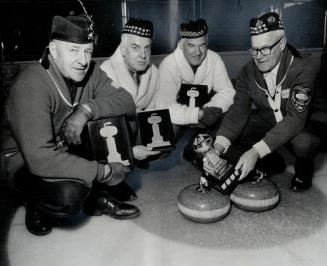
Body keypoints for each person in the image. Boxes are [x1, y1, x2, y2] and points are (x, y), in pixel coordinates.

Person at [0, 13, 140, 236]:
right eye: (73, 51)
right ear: (53, 50)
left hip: (65, 145)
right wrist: (101, 171)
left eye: (87, 51)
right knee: (70, 196)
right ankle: (37, 202)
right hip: (23, 162)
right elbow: (39, 158)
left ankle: (97, 191)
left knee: (124, 122)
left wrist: (86, 110)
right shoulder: (31, 84)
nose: (83, 60)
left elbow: (127, 101)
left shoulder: (90, 72)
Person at [206, 11, 320, 192]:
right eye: (254, 50)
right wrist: (218, 147)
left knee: (304, 143)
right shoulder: (246, 72)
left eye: (265, 48)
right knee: (231, 131)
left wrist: (255, 151)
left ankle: (303, 171)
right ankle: (269, 162)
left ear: (282, 43)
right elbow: (238, 112)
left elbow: (295, 119)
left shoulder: (303, 68)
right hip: (269, 120)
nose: (258, 56)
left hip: (299, 122)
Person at [155, 19, 235, 165]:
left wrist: (211, 109)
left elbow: (228, 92)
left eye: (202, 45)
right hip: (177, 115)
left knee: (228, 116)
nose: (197, 52)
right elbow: (164, 106)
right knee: (160, 150)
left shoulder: (214, 59)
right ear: (182, 45)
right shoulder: (169, 64)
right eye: (191, 45)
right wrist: (196, 115)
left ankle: (193, 149)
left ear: (207, 42)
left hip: (205, 110)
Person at [100, 17, 161, 201]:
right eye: (135, 47)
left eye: (147, 48)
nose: (143, 55)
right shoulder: (105, 72)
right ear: (123, 48)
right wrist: (130, 151)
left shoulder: (153, 72)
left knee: (165, 139)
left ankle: (137, 160)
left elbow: (153, 107)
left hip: (137, 125)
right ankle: (113, 183)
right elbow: (103, 129)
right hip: (110, 134)